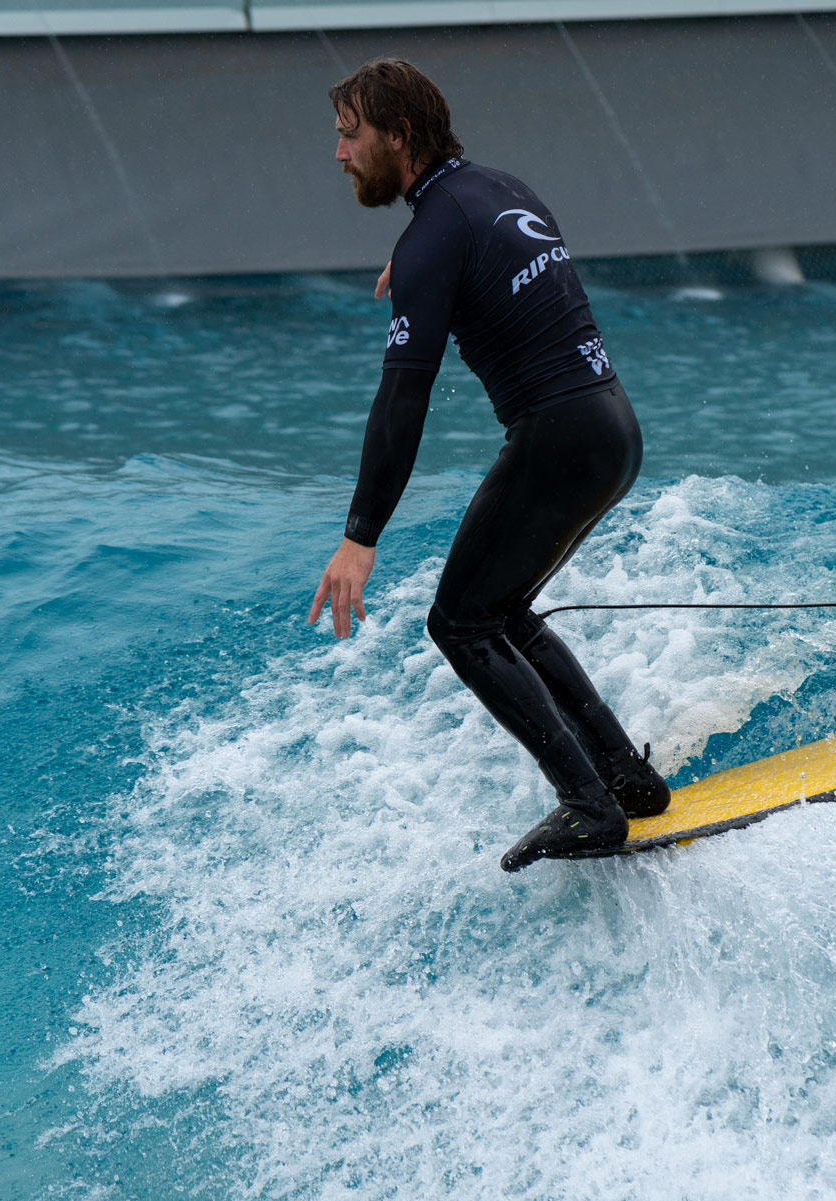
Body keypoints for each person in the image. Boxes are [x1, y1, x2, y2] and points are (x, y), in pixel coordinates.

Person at [306, 58, 668, 873]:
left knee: (460, 621)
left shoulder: (435, 234)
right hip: (611, 428)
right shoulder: (497, 190)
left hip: (557, 437)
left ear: (400, 136)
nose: (339, 153)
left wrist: (360, 535)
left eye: (350, 135)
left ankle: (589, 806)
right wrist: (427, 268)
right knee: (500, 609)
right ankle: (625, 778)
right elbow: (493, 259)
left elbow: (403, 400)